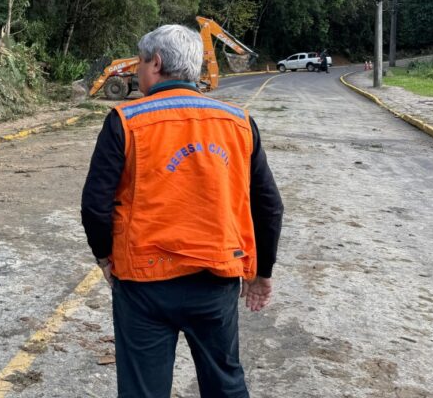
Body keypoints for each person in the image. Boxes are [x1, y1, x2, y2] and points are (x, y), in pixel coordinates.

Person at [81, 24, 283, 398]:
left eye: (140, 63)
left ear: (156, 63)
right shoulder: (238, 122)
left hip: (143, 283)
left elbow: (95, 204)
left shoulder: (125, 120)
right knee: (225, 384)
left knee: (143, 391)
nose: (138, 71)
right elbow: (269, 206)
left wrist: (104, 258)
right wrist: (262, 272)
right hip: (216, 279)